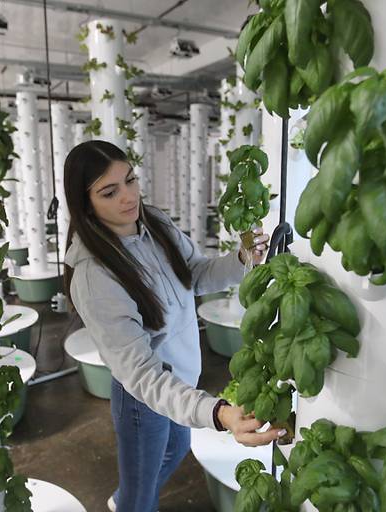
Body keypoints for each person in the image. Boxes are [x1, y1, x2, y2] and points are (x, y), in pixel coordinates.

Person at [62, 140, 284, 512]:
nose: (128, 197)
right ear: (85, 204)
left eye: (130, 180)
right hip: (143, 397)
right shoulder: (95, 276)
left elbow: (195, 275)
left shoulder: (154, 223)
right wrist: (220, 413)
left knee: (177, 448)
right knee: (142, 492)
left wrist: (244, 256)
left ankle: (128, 498)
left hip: (181, 382)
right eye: (109, 191)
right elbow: (143, 376)